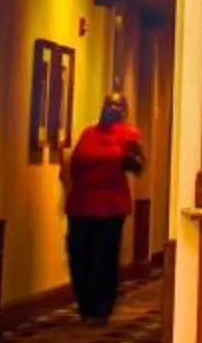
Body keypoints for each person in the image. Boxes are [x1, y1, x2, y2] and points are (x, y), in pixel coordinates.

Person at [59, 89, 145, 321]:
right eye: (109, 104)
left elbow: (139, 166)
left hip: (111, 206)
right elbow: (73, 164)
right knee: (79, 255)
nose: (111, 109)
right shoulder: (87, 133)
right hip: (81, 205)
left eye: (117, 106)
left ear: (124, 111)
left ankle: (101, 306)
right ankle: (85, 303)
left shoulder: (129, 135)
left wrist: (131, 159)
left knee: (103, 256)